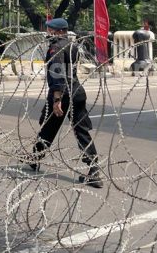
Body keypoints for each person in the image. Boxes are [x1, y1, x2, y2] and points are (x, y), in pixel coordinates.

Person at [24, 18, 103, 188]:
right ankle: (94, 170)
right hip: (77, 91)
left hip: (64, 93)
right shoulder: (72, 45)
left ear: (60, 31)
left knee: (49, 126)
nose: (48, 33)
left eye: (51, 30)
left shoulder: (56, 47)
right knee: (79, 131)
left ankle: (35, 158)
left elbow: (58, 73)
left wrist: (57, 100)